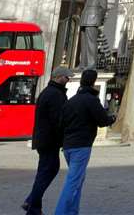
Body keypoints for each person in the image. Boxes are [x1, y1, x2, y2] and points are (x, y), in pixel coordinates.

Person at [53, 68, 114, 215]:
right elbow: (102, 120)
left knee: (78, 179)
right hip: (81, 145)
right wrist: (112, 118)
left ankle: (72, 211)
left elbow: (61, 123)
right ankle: (61, 212)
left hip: (68, 145)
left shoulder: (71, 101)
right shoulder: (91, 101)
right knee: (73, 181)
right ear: (93, 82)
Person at [23, 66, 72, 215]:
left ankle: (31, 202)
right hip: (49, 140)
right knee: (47, 171)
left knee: (46, 171)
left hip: (45, 139)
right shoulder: (55, 94)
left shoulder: (50, 92)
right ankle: (33, 206)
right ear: (58, 77)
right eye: (66, 77)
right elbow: (58, 119)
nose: (68, 80)